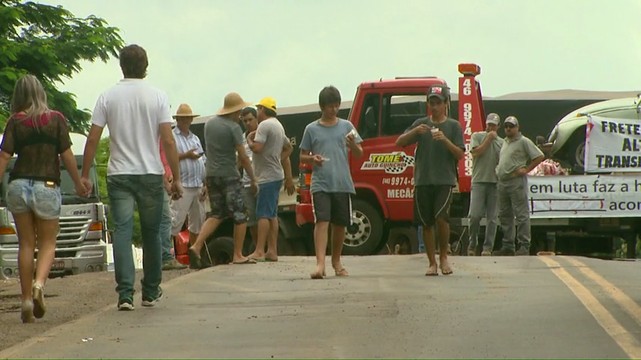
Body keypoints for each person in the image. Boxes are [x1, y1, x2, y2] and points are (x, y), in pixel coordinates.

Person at [81, 44, 183, 311]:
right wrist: (177, 177)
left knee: (123, 233)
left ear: (121, 65)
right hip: (150, 173)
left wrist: (84, 174)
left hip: (119, 174)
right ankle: (150, 291)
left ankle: (125, 294)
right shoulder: (158, 97)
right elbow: (169, 140)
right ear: (145, 66)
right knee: (151, 234)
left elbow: (93, 137)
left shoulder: (107, 96)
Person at [0, 74, 89, 323]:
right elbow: (67, 155)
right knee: (48, 242)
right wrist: (79, 181)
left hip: (18, 186)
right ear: (41, 93)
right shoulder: (56, 119)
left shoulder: (14, 122)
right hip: (47, 186)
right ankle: (39, 285)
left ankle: (26, 299)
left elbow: (4, 157)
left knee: (26, 244)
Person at [395, 84, 464, 276]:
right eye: (431, 103)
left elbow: (459, 154)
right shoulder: (421, 124)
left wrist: (444, 140)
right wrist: (415, 132)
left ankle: (443, 257)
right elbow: (399, 142)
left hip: (444, 179)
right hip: (423, 180)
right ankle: (431, 262)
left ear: (446, 104)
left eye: (438, 103)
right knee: (425, 223)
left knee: (441, 218)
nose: (434, 107)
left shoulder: (453, 126)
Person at [299, 85, 363, 279]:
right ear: (322, 107)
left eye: (336, 106)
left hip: (342, 182)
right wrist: (313, 159)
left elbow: (360, 153)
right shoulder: (311, 129)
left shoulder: (347, 126)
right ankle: (320, 264)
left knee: (341, 224)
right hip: (321, 183)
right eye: (330, 106)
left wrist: (353, 145)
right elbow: (302, 156)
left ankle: (336, 261)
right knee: (322, 221)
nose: (333, 110)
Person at [188, 92, 257, 267]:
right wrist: (253, 178)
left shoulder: (209, 124)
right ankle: (238, 254)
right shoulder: (233, 128)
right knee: (240, 214)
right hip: (229, 176)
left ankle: (196, 246)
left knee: (217, 213)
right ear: (235, 111)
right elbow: (243, 156)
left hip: (210, 175)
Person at [246, 97, 295, 262]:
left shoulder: (265, 125)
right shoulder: (278, 125)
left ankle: (259, 250)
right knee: (272, 215)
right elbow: (289, 148)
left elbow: (257, 149)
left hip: (266, 177)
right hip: (276, 175)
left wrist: (249, 139)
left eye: (258, 109)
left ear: (262, 110)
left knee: (263, 215)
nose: (257, 112)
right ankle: (272, 251)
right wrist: (277, 158)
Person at [492, 116, 544, 256]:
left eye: (511, 126)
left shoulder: (523, 141)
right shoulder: (505, 142)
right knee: (505, 215)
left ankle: (524, 246)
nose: (508, 128)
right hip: (502, 182)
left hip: (516, 182)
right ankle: (508, 245)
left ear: (517, 127)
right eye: (506, 126)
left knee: (521, 214)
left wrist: (526, 169)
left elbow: (539, 156)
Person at [167, 103, 206, 269]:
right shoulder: (172, 137)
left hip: (197, 184)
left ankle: (195, 256)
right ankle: (168, 256)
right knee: (174, 221)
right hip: (182, 184)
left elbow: (203, 160)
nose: (186, 121)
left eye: (188, 118)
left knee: (198, 222)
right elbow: (170, 156)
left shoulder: (194, 138)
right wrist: (187, 155)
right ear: (178, 120)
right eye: (183, 118)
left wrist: (205, 184)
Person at [466, 113, 504, 256]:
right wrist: (488, 139)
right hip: (479, 181)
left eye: (493, 125)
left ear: (498, 127)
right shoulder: (477, 136)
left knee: (492, 218)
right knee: (474, 215)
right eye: (489, 124)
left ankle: (488, 247)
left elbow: (503, 161)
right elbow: (476, 153)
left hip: (494, 183)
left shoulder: (501, 142)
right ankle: (472, 244)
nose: (490, 127)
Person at [159, 142, 187, 270]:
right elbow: (156, 162)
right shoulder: (159, 138)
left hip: (165, 180)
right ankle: (165, 257)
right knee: (164, 220)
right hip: (160, 182)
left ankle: (157, 258)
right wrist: (167, 184)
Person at [240, 106, 259, 249]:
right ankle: (259, 246)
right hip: (246, 183)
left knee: (266, 217)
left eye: (250, 119)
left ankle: (269, 247)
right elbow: (239, 161)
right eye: (245, 120)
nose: (248, 123)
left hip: (263, 180)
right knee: (251, 219)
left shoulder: (262, 134)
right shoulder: (241, 139)